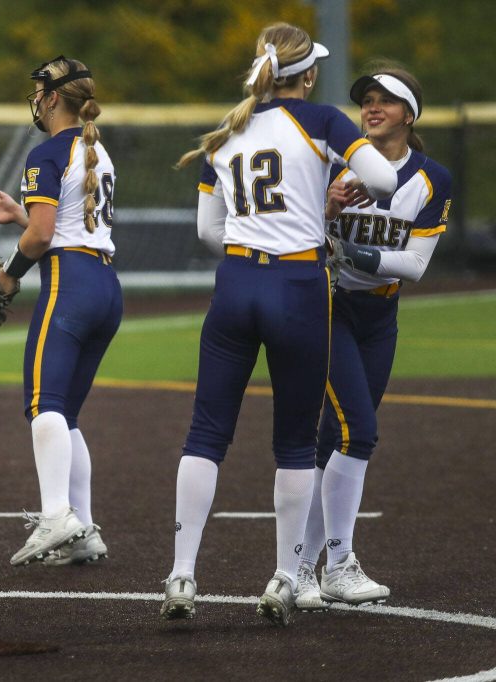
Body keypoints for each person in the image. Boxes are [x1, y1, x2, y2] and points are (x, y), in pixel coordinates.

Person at [158, 22, 398, 627]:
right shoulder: (321, 120)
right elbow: (384, 178)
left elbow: (207, 232)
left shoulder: (229, 129)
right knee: (293, 442)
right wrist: (323, 203)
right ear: (309, 73)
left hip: (235, 283)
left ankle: (182, 572)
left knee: (206, 434)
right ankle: (285, 577)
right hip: (296, 286)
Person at [294, 66, 451, 610]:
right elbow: (298, 232)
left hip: (381, 315)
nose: (372, 107)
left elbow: (413, 265)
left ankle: (300, 568)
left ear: (409, 115)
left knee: (332, 439)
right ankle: (336, 563)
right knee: (357, 431)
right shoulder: (334, 163)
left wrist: (349, 251)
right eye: (367, 99)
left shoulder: (432, 179)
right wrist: (328, 210)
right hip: (329, 305)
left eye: (387, 100)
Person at [0, 56, 122, 567]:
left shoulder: (47, 151)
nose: (35, 99)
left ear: (54, 96)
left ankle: (58, 515)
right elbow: (60, 225)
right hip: (105, 283)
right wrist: (23, 216)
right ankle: (82, 528)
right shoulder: (97, 149)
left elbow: (42, 237)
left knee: (43, 405)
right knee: (67, 413)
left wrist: (9, 275)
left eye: (39, 90)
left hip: (71, 286)